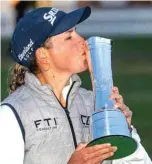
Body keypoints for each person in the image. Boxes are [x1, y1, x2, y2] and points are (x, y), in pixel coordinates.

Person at [0, 6, 151, 164]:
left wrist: (124, 132)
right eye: (69, 37)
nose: (82, 41)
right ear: (43, 55)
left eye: (76, 32)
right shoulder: (11, 115)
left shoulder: (93, 103)